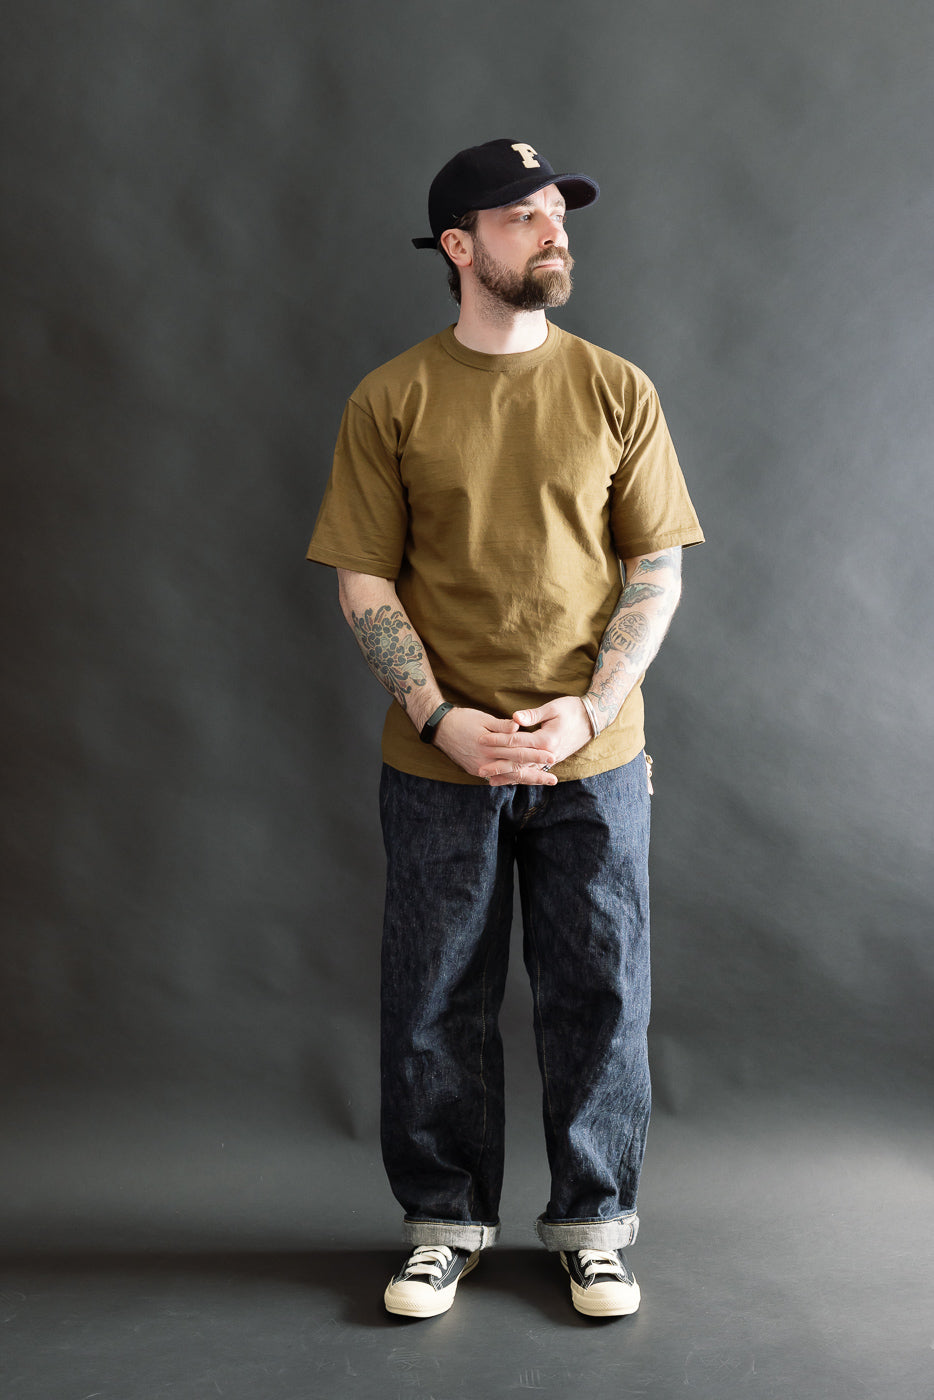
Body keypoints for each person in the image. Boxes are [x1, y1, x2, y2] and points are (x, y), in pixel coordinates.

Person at [307, 138, 704, 1320]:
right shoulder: (392, 397)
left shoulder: (615, 387)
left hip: (596, 753)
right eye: (524, 216)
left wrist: (589, 703)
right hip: (439, 760)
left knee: (600, 989)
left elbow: (657, 566)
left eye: (556, 212)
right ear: (459, 245)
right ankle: (443, 1221)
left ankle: (592, 1224)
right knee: (433, 993)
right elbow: (365, 583)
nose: (553, 230)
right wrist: (441, 716)